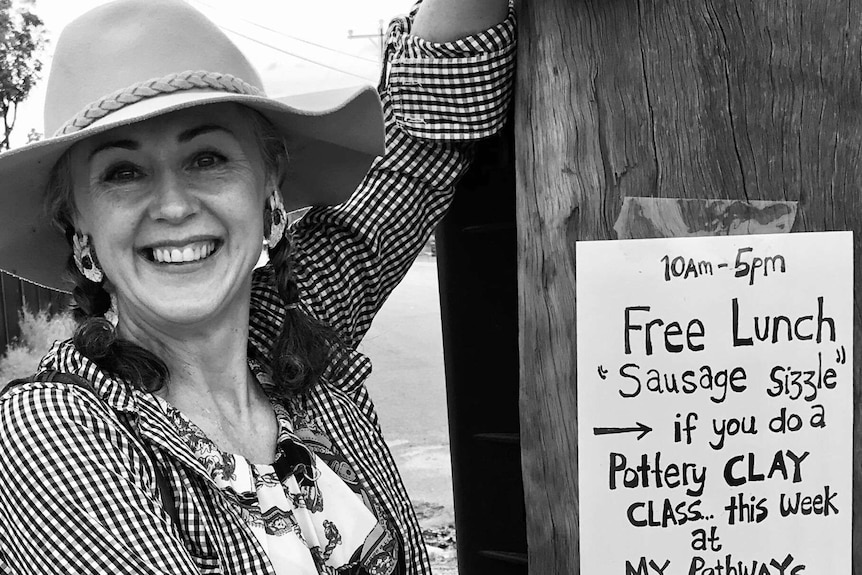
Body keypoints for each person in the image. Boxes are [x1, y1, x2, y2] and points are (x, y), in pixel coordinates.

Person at [0, 0, 514, 573]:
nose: (172, 205)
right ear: (80, 229)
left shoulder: (293, 331)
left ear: (269, 194)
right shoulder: (51, 431)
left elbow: (425, 136)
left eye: (208, 158)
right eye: (123, 173)